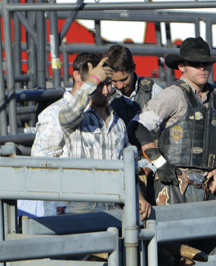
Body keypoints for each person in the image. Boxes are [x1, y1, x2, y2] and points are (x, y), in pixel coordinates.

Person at [133, 37, 216, 207]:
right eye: (196, 64)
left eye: (206, 63)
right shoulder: (173, 94)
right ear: (182, 66)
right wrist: (159, 163)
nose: (202, 68)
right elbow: (137, 126)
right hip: (173, 184)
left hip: (208, 185)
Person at [58, 56, 151, 221]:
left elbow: (128, 167)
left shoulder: (119, 124)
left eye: (108, 84)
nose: (106, 91)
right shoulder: (78, 120)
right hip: (84, 205)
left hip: (115, 204)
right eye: (100, 85)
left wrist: (140, 198)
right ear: (89, 85)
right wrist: (93, 79)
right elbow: (67, 115)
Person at [25, 52, 98, 217]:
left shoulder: (99, 113)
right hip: (64, 202)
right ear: (77, 76)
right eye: (92, 77)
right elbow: (41, 161)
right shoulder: (55, 113)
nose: (96, 83)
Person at [104, 44, 163, 126]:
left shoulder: (154, 93)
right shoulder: (104, 95)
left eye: (124, 79)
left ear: (133, 68)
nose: (120, 85)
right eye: (114, 81)